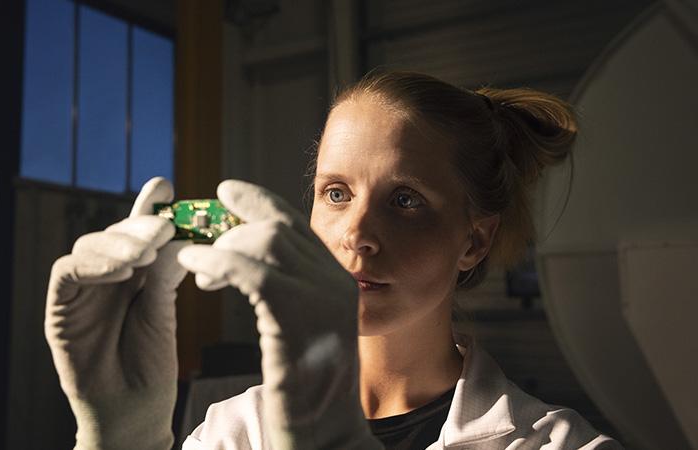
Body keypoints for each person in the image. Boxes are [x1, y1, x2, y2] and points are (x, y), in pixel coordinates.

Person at [45, 71, 622, 450]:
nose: (357, 235)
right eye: (337, 193)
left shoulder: (558, 444)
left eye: (405, 200)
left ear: (474, 240)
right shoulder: (235, 432)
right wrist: (122, 439)